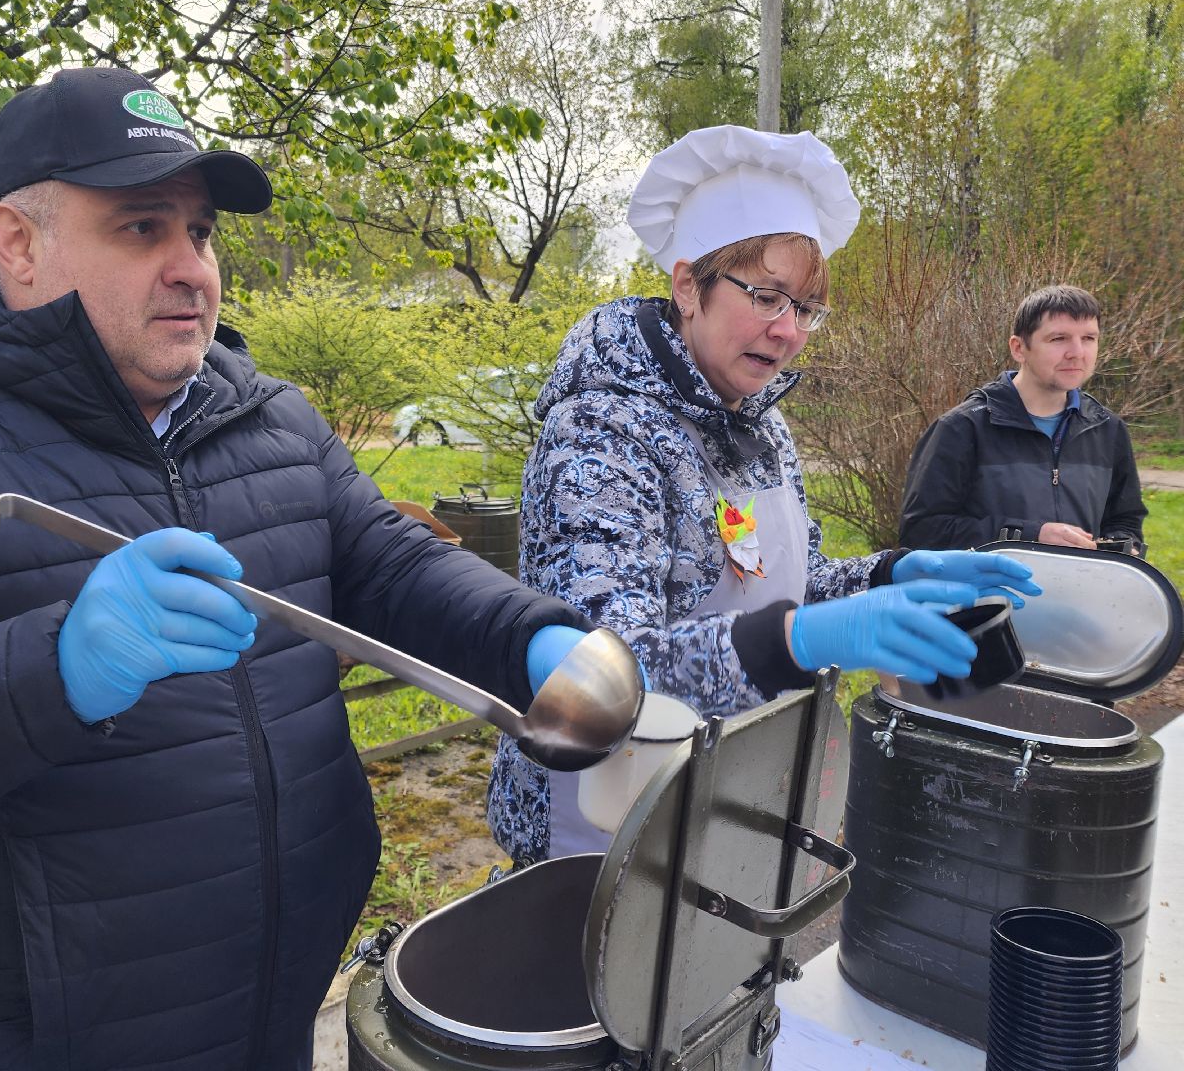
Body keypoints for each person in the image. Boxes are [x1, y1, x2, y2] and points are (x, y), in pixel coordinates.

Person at [0, 68, 598, 1071]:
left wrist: (531, 635)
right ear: (19, 243)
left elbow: (394, 566)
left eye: (201, 232)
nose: (193, 267)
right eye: (143, 229)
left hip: (275, 1005)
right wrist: (51, 667)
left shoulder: (271, 417)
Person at [486, 125, 1042, 863]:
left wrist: (887, 573)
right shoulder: (599, 431)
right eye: (767, 297)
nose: (788, 332)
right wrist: (799, 641)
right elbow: (602, 675)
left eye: (806, 308)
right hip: (604, 824)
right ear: (689, 287)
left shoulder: (759, 423)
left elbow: (777, 584)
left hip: (728, 793)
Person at [899, 285, 1147, 554]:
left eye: (1088, 338)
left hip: (1081, 593)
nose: (1077, 352)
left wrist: (1122, 548)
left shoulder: (1107, 429)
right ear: (1019, 348)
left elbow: (1125, 521)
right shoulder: (962, 429)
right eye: (1058, 339)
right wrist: (1030, 536)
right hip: (991, 594)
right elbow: (921, 531)